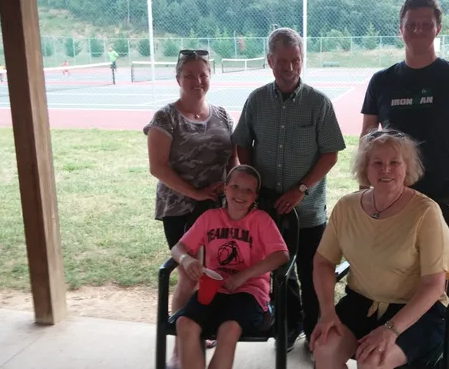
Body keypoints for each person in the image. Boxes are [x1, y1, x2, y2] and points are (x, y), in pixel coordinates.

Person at [232, 27, 346, 351]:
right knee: (280, 273)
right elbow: (242, 142)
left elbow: (330, 153)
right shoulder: (256, 100)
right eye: (282, 61)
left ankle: (315, 333)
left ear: (302, 59)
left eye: (295, 60)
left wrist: (302, 189)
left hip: (307, 210)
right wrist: (254, 186)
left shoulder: (318, 103)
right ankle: (289, 325)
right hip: (267, 211)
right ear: (269, 60)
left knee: (313, 272)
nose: (290, 67)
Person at [310, 129, 449, 369]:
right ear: (365, 169)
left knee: (373, 360)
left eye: (394, 163)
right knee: (324, 349)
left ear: (407, 168)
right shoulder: (347, 207)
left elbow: (434, 286)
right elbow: (323, 261)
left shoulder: (426, 212)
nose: (385, 169)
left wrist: (391, 329)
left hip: (415, 311)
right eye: (376, 162)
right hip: (361, 303)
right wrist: (327, 312)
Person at [144, 49, 237, 368]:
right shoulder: (165, 117)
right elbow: (158, 167)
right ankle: (179, 351)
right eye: (190, 75)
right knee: (189, 276)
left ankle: (199, 328)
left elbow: (232, 161)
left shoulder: (223, 114)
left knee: (214, 274)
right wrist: (196, 194)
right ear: (178, 79)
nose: (198, 81)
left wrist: (231, 188)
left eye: (203, 74)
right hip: (180, 209)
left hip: (217, 209)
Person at [360, 0, 449, 219]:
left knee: (436, 255)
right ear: (401, 30)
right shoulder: (381, 81)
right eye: (411, 25)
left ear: (438, 28)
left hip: (440, 196)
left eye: (427, 25)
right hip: (390, 194)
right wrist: (363, 189)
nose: (418, 30)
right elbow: (366, 140)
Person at [170, 165, 290, 369]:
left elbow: (281, 255)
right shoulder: (210, 218)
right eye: (235, 186)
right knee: (185, 324)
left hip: (249, 293)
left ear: (255, 197)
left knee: (229, 329)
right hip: (213, 289)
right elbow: (179, 247)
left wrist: (244, 275)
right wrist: (186, 260)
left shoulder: (261, 220)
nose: (240, 193)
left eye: (248, 190)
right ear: (225, 188)